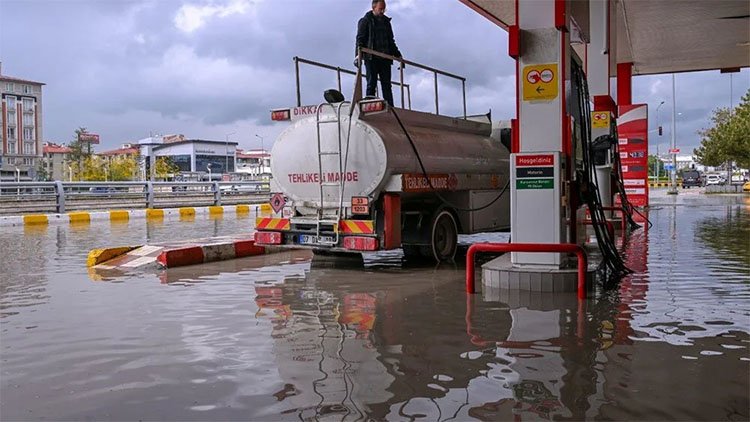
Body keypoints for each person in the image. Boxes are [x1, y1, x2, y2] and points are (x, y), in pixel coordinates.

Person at [355, 0, 402, 107]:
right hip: (371, 57)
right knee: (371, 83)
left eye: (384, 9)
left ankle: (390, 106)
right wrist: (358, 56)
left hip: (385, 58)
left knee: (386, 85)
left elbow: (391, 41)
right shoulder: (365, 21)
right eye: (381, 9)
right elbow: (360, 40)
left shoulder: (386, 22)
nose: (382, 11)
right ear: (374, 7)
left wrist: (398, 55)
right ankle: (369, 105)